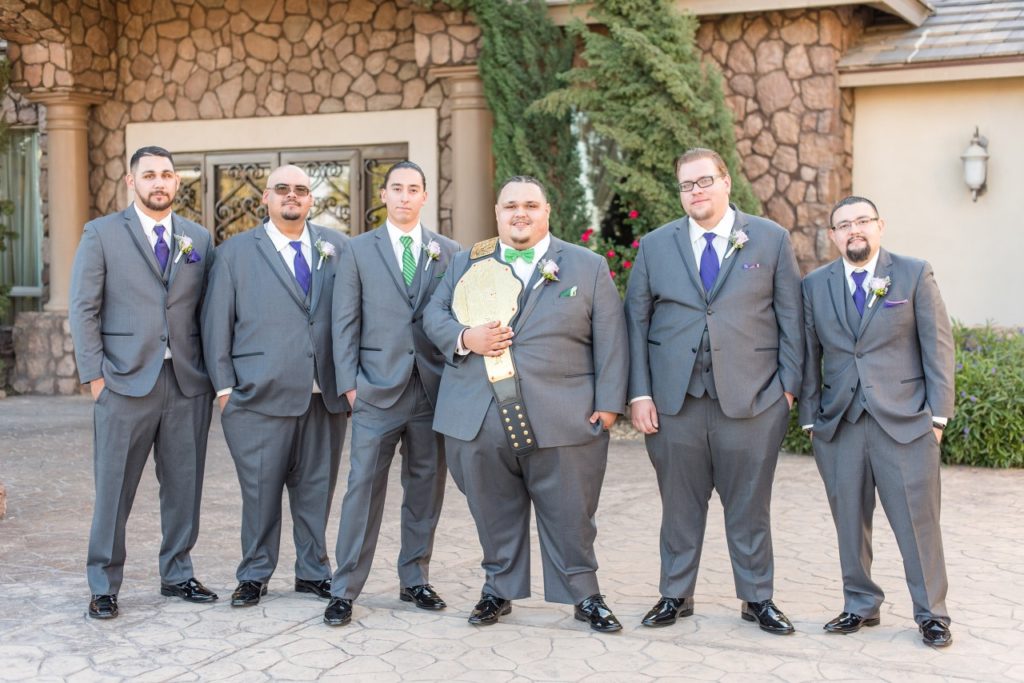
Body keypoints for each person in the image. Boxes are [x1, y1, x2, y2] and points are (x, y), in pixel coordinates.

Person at [424, 175, 628, 632]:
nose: (520, 213)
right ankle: (498, 589)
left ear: (547, 211)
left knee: (571, 511)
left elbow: (612, 338)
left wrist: (610, 404)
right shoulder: (464, 263)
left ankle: (585, 595)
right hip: (479, 415)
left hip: (563, 415)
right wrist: (464, 337)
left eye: (530, 205)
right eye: (510, 205)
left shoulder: (585, 265)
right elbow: (433, 315)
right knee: (492, 509)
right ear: (497, 213)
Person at [624, 147, 803, 633]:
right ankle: (675, 595)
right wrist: (639, 394)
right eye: (687, 185)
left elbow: (792, 319)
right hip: (672, 404)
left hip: (753, 402)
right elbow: (634, 323)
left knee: (749, 505)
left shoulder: (769, 239)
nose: (696, 192)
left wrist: (787, 392)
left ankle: (757, 598)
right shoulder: (656, 245)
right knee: (678, 504)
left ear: (726, 182)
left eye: (704, 181)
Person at [800, 196, 955, 648]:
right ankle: (860, 606)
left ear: (880, 226)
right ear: (832, 236)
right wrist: (811, 421)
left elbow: (938, 346)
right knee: (849, 520)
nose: (854, 230)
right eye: (844, 225)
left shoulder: (912, 273)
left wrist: (938, 416)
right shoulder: (814, 285)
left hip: (906, 422)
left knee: (916, 522)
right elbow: (810, 357)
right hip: (840, 424)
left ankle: (932, 614)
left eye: (863, 221)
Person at [69, 145, 217, 619]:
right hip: (123, 381)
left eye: (167, 175)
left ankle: (177, 573)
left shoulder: (199, 238)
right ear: (131, 182)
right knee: (114, 488)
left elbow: (209, 312)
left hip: (186, 381)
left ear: (177, 183)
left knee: (184, 485)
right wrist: (95, 377)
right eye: (149, 175)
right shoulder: (102, 234)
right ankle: (103, 583)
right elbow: (83, 308)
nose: (159, 183)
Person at [201, 164, 349, 607]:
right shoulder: (234, 253)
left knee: (316, 490)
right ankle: (254, 573)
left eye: (301, 189)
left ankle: (313, 571)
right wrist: (225, 391)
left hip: (325, 394)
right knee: (260, 493)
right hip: (257, 397)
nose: (292, 195)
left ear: (311, 200)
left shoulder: (338, 247)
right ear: (265, 198)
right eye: (282, 189)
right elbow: (215, 327)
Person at [323, 161, 459, 627]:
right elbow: (343, 322)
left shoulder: (450, 252)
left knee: (425, 486)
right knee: (362, 489)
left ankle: (414, 578)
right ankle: (344, 589)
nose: (404, 196)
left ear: (425, 197)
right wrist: (349, 385)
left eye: (413, 189)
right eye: (396, 188)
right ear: (384, 195)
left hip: (431, 389)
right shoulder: (358, 251)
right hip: (375, 390)